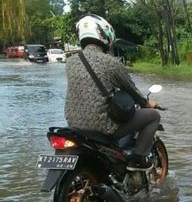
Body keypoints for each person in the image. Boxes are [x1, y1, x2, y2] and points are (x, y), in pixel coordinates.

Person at [64, 14, 160, 171]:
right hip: (102, 126)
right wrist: (148, 103)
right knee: (153, 116)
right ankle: (137, 160)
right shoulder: (111, 63)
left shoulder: (70, 62)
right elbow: (132, 90)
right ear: (105, 35)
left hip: (73, 125)